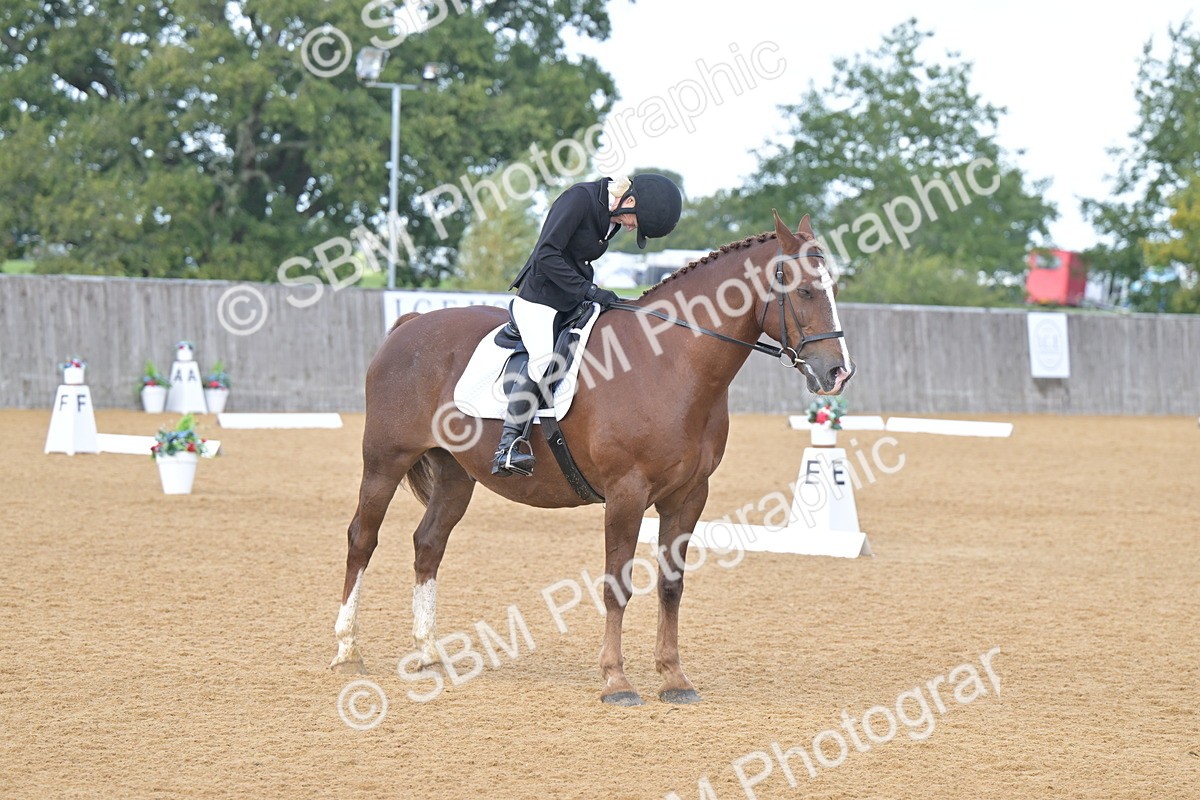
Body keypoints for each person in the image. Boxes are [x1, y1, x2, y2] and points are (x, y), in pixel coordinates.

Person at [491, 173, 683, 477]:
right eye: (636, 221)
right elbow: (546, 254)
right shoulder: (578, 199)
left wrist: (592, 293)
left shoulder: (613, 216)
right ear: (629, 200)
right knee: (543, 361)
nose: (632, 227)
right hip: (539, 299)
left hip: (572, 300)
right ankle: (508, 446)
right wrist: (589, 291)